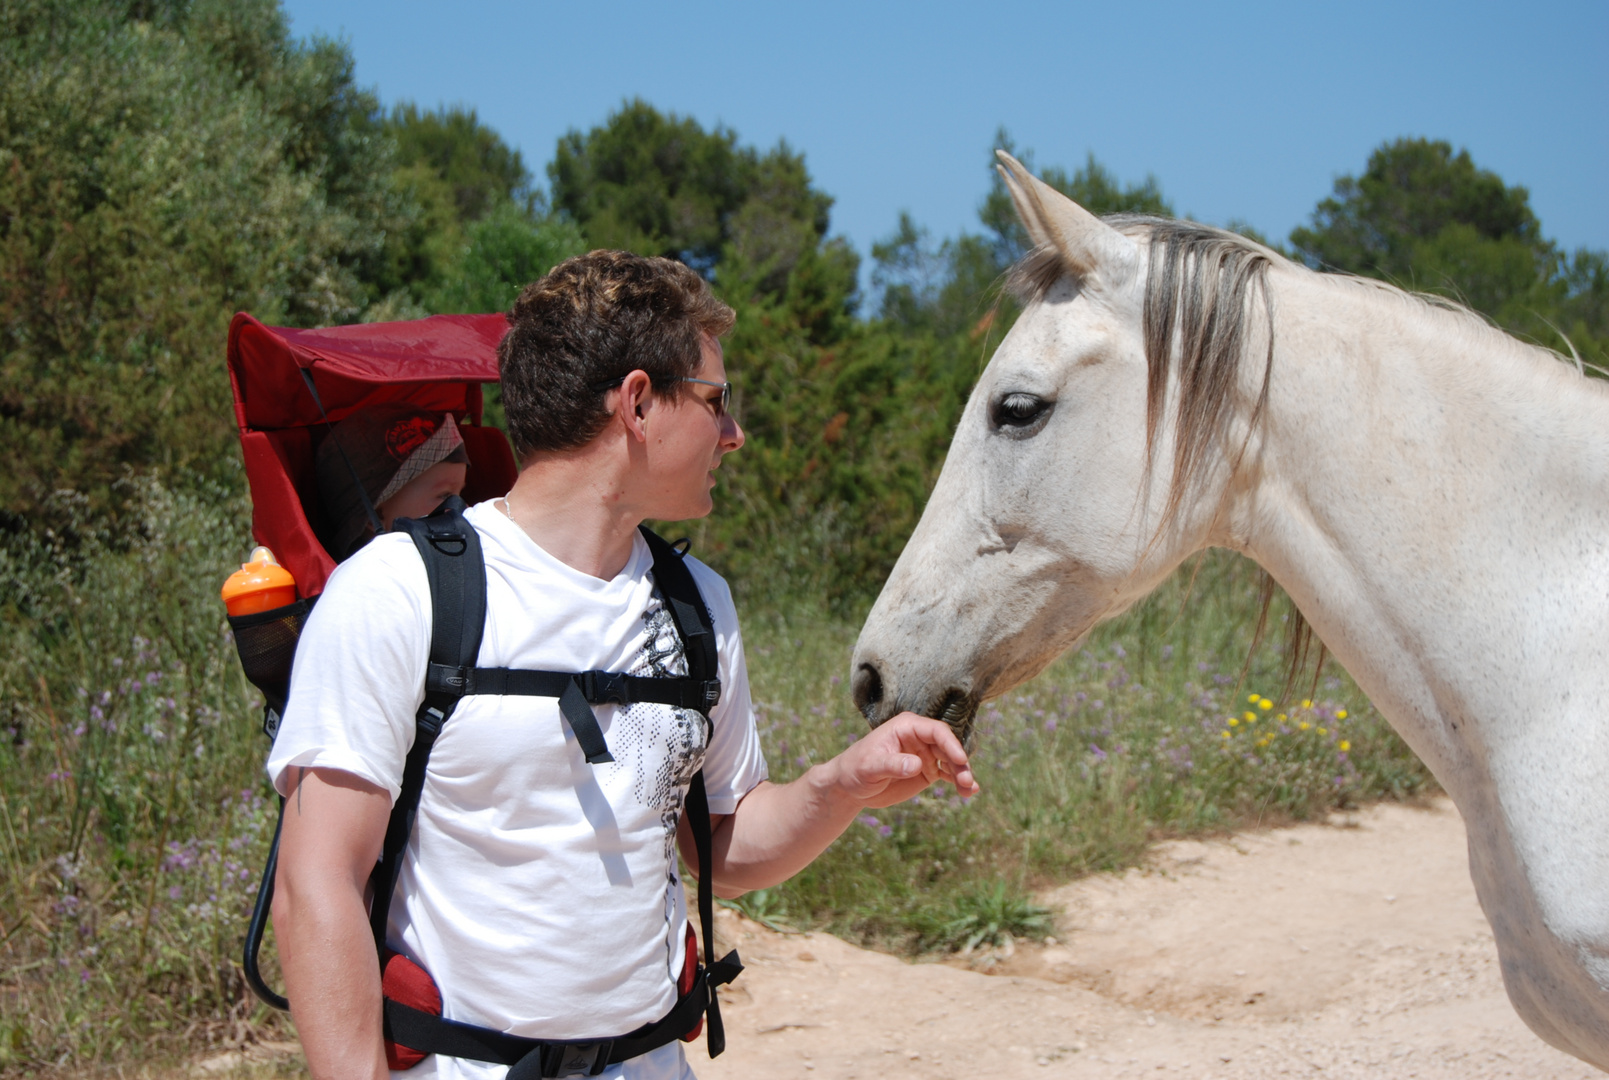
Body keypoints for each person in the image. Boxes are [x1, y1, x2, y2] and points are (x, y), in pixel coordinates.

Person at [268, 250, 978, 1080]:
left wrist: (840, 784)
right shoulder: (400, 592)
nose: (734, 433)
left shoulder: (695, 602)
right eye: (715, 402)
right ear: (638, 404)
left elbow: (726, 848)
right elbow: (317, 883)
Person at [314, 404, 470, 561]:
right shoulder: (369, 578)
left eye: (460, 494)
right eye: (444, 495)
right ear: (374, 515)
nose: (464, 509)